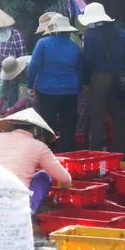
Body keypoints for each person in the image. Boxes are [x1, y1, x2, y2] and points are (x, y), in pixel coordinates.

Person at [0, 108, 72, 213]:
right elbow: (65, 179)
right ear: (36, 130)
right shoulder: (38, 146)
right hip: (17, 202)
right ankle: (29, 211)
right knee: (43, 176)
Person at [80, 2, 125, 154]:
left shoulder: (91, 36)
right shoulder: (122, 33)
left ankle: (96, 155)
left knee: (97, 121)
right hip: (119, 78)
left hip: (99, 79)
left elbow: (88, 61)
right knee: (119, 121)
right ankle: (121, 156)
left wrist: (86, 81)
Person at [27, 14, 83, 153]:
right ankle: (68, 154)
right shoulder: (75, 47)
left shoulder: (43, 44)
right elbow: (81, 71)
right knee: (68, 126)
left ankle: (48, 154)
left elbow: (34, 66)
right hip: (70, 91)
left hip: (47, 90)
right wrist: (78, 88)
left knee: (48, 124)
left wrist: (29, 85)